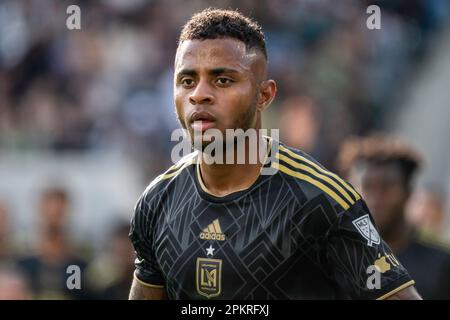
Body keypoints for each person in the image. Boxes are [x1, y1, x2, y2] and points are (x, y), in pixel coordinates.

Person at [128, 8, 420, 300]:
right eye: (187, 81)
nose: (199, 94)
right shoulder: (157, 201)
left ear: (264, 95)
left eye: (223, 80)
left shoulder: (320, 201)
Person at [338, 134, 450, 299]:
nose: (376, 198)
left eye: (386, 186)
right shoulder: (335, 263)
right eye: (367, 187)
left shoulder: (441, 264)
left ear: (408, 192)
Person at [16, 187, 91, 299]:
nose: (53, 218)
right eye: (49, 211)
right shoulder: (22, 265)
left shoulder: (79, 267)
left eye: (58, 213)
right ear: (40, 212)